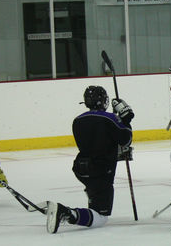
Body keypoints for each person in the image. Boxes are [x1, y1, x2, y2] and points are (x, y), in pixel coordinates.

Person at [46, 85, 134, 234]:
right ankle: (67, 212)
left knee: (96, 196)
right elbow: (125, 140)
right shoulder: (110, 119)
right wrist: (126, 120)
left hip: (81, 168)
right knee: (101, 217)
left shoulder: (78, 120)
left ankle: (91, 202)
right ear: (102, 101)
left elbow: (97, 142)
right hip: (101, 170)